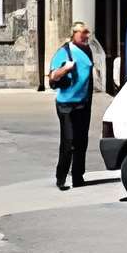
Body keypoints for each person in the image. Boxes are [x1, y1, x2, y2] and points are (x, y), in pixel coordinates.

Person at [48, 23, 99, 189]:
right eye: (83, 32)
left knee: (81, 141)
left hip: (83, 104)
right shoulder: (65, 51)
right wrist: (65, 68)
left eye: (87, 32)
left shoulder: (88, 51)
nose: (86, 35)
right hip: (66, 105)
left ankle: (78, 177)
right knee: (69, 141)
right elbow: (53, 76)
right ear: (74, 34)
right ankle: (61, 179)